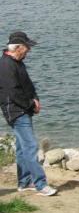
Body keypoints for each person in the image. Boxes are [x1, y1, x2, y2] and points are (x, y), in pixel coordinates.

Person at [0, 31, 57, 196]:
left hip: (23, 109)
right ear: (17, 47)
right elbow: (13, 93)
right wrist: (31, 105)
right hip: (16, 111)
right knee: (31, 146)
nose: (29, 50)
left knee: (22, 147)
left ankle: (24, 182)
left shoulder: (18, 62)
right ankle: (41, 184)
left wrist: (35, 99)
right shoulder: (6, 65)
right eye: (27, 47)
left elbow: (28, 85)